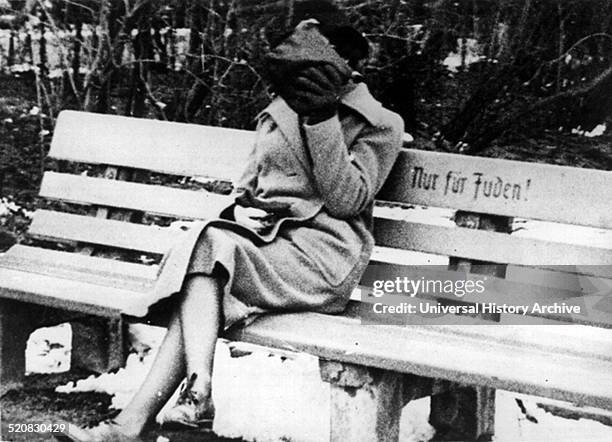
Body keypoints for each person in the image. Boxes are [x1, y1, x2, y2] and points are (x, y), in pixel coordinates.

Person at [57, 1, 404, 441]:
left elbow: (346, 201)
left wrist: (322, 121)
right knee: (206, 255)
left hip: (323, 255)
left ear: (348, 66)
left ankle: (151, 417)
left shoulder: (380, 124)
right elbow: (248, 184)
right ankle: (183, 398)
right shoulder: (282, 108)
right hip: (265, 241)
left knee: (206, 261)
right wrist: (243, 207)